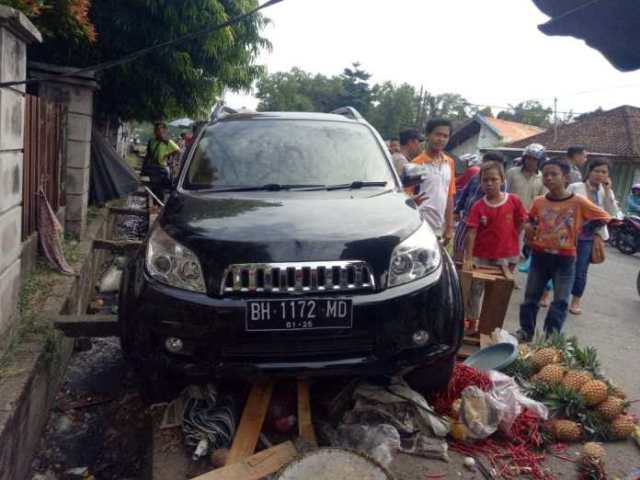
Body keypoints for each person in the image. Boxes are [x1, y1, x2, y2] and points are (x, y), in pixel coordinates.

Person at [516, 159, 611, 342]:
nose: (549, 178)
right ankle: (525, 332)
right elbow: (529, 219)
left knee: (560, 301)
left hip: (565, 260)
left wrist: (582, 228)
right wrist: (528, 227)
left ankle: (551, 339)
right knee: (530, 298)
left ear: (565, 177)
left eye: (554, 174)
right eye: (546, 175)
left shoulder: (578, 202)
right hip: (539, 256)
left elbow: (604, 216)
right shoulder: (539, 202)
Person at [463, 161, 527, 333]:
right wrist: (468, 258)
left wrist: (513, 242)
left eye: (494, 179)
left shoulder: (514, 200)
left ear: (502, 180)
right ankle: (471, 321)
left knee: (497, 293)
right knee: (475, 290)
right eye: (485, 180)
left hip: (505, 256)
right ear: (480, 182)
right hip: (481, 255)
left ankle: (489, 327)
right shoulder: (478, 206)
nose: (489, 183)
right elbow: (471, 233)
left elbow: (522, 222)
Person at [567, 159, 620, 315]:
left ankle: (576, 301)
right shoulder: (576, 187)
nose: (599, 175)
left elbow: (612, 213)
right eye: (596, 171)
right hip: (569, 234)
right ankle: (549, 295)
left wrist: (609, 191)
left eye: (604, 172)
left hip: (589, 237)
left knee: (581, 270)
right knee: (562, 266)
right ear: (589, 171)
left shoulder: (605, 192)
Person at [453, 152, 506, 261]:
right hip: (466, 219)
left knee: (476, 252)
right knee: (458, 248)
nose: (488, 167)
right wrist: (457, 210)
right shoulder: (475, 178)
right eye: (486, 163)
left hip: (483, 223)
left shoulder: (502, 183)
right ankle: (457, 271)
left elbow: (501, 203)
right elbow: (464, 194)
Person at [412, 118, 456, 243]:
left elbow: (449, 196)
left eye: (445, 136)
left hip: (439, 228)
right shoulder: (415, 165)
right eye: (437, 134)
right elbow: (406, 197)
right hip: (419, 227)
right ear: (427, 135)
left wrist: (449, 227)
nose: (441, 139)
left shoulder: (450, 163)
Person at [143, 121, 181, 197]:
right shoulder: (151, 141)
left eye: (160, 130)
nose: (158, 131)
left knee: (162, 189)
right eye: (156, 130)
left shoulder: (167, 141)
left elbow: (178, 150)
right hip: (153, 168)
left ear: (164, 131)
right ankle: (154, 204)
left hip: (162, 168)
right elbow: (148, 155)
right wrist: (143, 168)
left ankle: (160, 204)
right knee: (153, 188)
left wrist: (167, 156)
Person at [506, 143, 546, 210]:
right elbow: (504, 193)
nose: (530, 161)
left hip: (531, 216)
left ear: (540, 161)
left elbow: (542, 199)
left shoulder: (542, 177)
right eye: (528, 158)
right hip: (511, 213)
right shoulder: (512, 172)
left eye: (534, 159)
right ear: (524, 158)